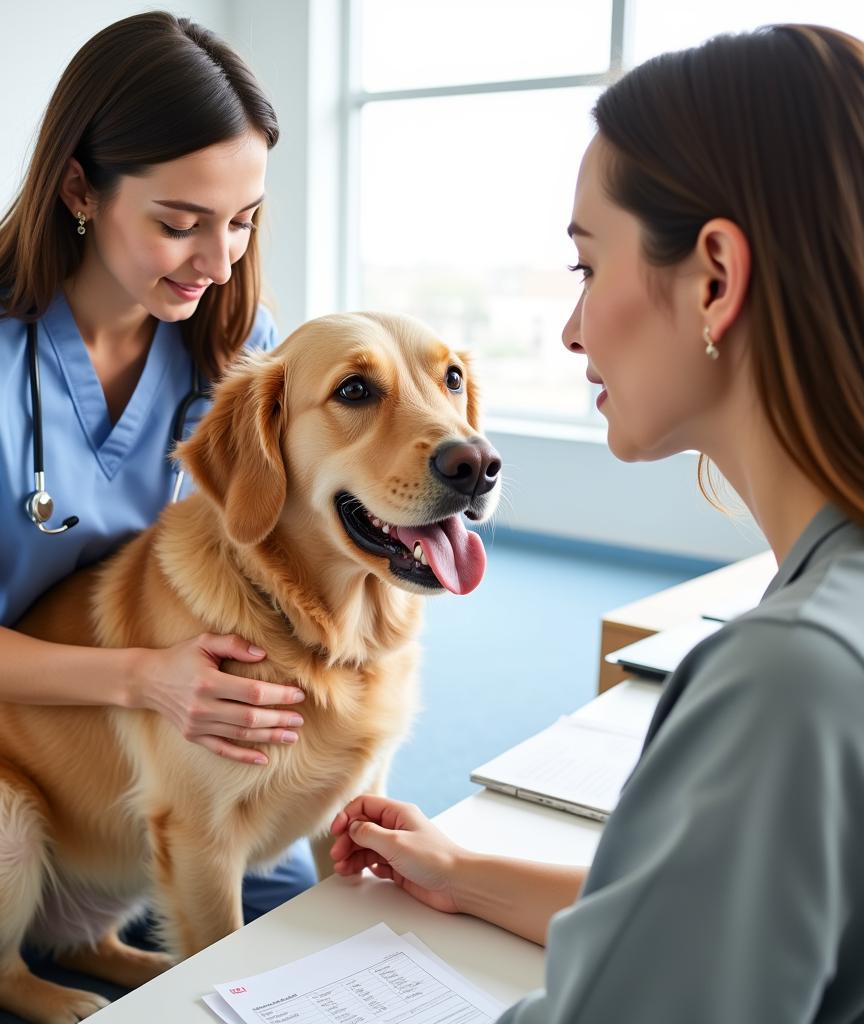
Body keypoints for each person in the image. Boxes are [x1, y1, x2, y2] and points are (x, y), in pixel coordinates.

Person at [331, 23, 864, 1023]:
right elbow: (707, 925)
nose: (572, 329)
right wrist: (460, 870)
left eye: (585, 267)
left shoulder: (787, 678)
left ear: (713, 275)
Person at [0, 11, 315, 1018]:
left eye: (242, 220)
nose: (218, 261)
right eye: (180, 221)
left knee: (305, 936)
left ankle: (89, 943)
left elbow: (259, 568)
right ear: (79, 192)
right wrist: (153, 678)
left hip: (120, 718)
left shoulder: (236, 338)